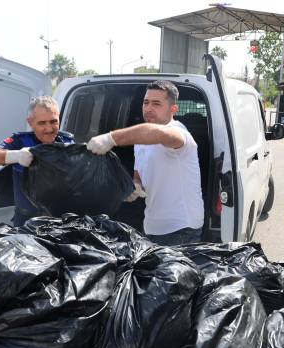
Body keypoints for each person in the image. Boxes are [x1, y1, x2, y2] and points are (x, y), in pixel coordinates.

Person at [87, 80, 203, 246]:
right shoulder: (141, 141)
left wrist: (111, 138)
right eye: (146, 102)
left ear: (173, 109)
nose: (148, 109)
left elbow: (160, 134)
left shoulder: (180, 133)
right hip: (152, 226)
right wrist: (135, 186)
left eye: (156, 104)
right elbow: (139, 174)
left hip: (182, 228)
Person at [0, 96, 74, 226]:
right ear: (30, 122)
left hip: (60, 220)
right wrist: (16, 156)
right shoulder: (20, 141)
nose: (49, 128)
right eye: (42, 123)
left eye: (53, 121)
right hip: (27, 222)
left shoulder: (68, 142)